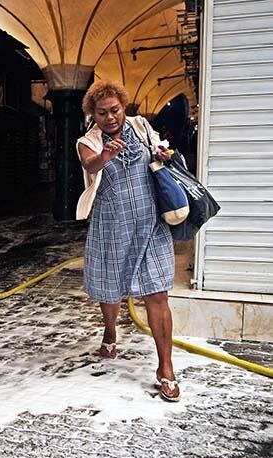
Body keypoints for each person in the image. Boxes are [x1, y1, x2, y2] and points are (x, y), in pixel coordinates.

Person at [75, 80, 180, 402]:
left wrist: (164, 152)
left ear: (124, 106)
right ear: (93, 114)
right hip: (112, 225)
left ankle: (166, 368)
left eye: (115, 110)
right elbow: (89, 164)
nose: (110, 117)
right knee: (111, 289)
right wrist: (105, 155)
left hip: (150, 223)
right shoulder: (87, 141)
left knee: (157, 294)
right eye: (102, 113)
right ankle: (110, 330)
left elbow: (162, 152)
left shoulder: (141, 126)